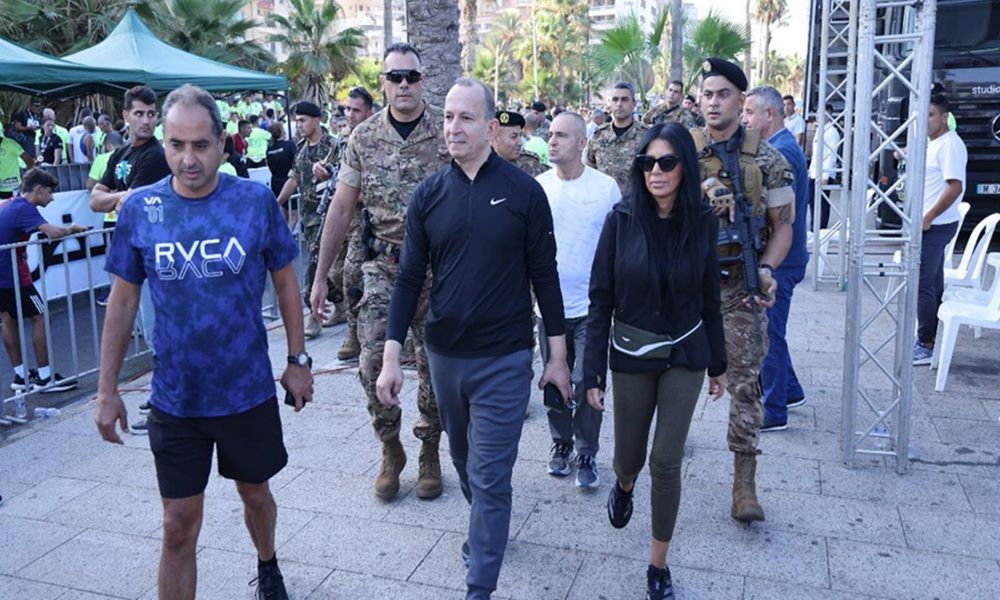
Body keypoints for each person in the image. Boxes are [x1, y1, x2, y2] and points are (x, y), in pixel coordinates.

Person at [94, 84, 312, 600]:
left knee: (254, 494)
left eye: (200, 145)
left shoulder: (253, 202)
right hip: (176, 399)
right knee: (177, 525)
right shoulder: (141, 208)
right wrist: (106, 390)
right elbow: (122, 302)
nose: (188, 159)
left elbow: (285, 282)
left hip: (245, 391)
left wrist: (298, 359)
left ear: (221, 143)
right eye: (176, 145)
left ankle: (267, 562)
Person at [376, 77, 572, 600]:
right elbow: (409, 279)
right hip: (444, 356)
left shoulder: (525, 192)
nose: (453, 127)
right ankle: (487, 524)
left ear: (489, 126)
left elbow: (546, 277)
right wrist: (391, 358)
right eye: (448, 117)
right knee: (465, 463)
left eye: (465, 117)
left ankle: (478, 586)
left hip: (505, 357)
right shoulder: (428, 194)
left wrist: (556, 358)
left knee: (489, 474)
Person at [585, 123, 727, 600]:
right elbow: (601, 297)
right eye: (647, 163)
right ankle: (624, 485)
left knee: (665, 461)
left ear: (685, 166)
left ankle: (658, 566)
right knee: (630, 457)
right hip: (632, 350)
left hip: (685, 351)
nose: (656, 172)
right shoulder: (621, 220)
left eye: (667, 162)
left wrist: (718, 363)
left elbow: (709, 296)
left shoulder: (702, 221)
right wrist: (592, 372)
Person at [310, 43, 450, 502]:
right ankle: (391, 448)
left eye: (412, 76)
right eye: (395, 77)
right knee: (372, 363)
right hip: (384, 267)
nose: (404, 84)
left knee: (435, 367)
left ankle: (429, 450)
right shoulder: (363, 137)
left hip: (439, 271)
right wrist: (320, 277)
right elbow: (341, 207)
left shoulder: (446, 132)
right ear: (383, 83)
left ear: (423, 81)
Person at [693, 58, 794, 522]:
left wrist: (767, 269)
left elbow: (783, 225)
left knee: (746, 386)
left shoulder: (769, 159)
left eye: (724, 94)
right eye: (707, 94)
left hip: (739, 286)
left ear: (741, 100)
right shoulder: (679, 150)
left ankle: (744, 484)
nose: (714, 103)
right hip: (685, 286)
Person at [536, 112, 619, 486]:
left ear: (583, 143)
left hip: (591, 308)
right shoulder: (538, 187)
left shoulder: (605, 188)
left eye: (562, 135)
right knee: (555, 379)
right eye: (551, 134)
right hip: (548, 309)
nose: (552, 141)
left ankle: (587, 451)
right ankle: (562, 443)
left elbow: (618, 243)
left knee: (587, 380)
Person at [89, 85, 172, 428]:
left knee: (156, 331)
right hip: (133, 253)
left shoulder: (155, 154)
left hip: (155, 254)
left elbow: (130, 201)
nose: (146, 120)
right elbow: (95, 199)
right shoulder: (119, 155)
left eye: (151, 114)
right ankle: (162, 396)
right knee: (149, 329)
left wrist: (118, 196)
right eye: (139, 114)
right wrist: (120, 196)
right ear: (125, 116)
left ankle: (164, 406)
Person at [742, 86, 810, 432]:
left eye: (749, 112)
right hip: (784, 257)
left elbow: (779, 216)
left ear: (769, 114)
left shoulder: (780, 151)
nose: (744, 119)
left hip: (782, 259)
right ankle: (790, 390)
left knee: (768, 333)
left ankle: (774, 409)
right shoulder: (781, 146)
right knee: (773, 328)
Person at [0, 168, 84, 404]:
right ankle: (45, 379)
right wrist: (72, 228)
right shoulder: (24, 208)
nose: (53, 197)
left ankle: (21, 376)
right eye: (50, 191)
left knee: (8, 320)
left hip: (3, 273)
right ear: (38, 190)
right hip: (12, 275)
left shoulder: (9, 204)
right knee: (41, 317)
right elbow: (53, 232)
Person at [311, 86, 376, 357]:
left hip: (364, 220)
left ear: (369, 112)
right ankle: (350, 316)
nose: (349, 115)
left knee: (351, 274)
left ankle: (355, 333)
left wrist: (355, 192)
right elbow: (333, 167)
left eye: (355, 110)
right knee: (335, 272)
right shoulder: (344, 138)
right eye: (347, 109)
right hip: (342, 218)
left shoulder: (376, 139)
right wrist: (321, 169)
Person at [913, 94, 967, 366]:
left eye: (931, 114)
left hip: (935, 225)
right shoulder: (936, 144)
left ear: (944, 118)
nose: (926, 120)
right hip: (933, 224)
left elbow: (955, 187)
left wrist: (928, 217)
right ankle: (932, 337)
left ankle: (925, 344)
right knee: (932, 282)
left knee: (922, 282)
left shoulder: (949, 145)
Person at [275, 101, 337, 338]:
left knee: (318, 266)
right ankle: (334, 307)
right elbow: (294, 178)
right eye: (297, 121)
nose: (298, 125)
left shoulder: (332, 145)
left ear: (317, 120)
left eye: (303, 120)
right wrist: (277, 203)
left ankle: (316, 315)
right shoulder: (300, 147)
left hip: (331, 216)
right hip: (310, 219)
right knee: (323, 265)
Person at [586, 81, 649, 196]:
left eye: (624, 99)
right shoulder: (598, 135)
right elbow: (588, 170)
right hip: (603, 202)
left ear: (634, 104)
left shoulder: (646, 136)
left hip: (634, 203)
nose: (619, 104)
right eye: (615, 99)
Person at [808, 107, 840, 229]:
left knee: (822, 202)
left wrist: (825, 176)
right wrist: (811, 171)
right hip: (815, 172)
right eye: (817, 113)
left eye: (820, 113)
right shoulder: (819, 130)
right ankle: (814, 226)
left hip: (824, 173)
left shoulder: (832, 132)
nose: (817, 116)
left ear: (828, 114)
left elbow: (831, 156)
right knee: (812, 200)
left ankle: (821, 227)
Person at [492, 110, 548, 177]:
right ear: (495, 137)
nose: (520, 143)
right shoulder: (481, 165)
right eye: (513, 137)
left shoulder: (531, 164)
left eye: (520, 136)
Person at [0, 126, 34, 199]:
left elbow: (29, 161)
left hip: (14, 187)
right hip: (1, 188)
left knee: (15, 205)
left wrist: (26, 177)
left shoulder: (10, 143)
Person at [265, 122, 296, 199]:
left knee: (279, 205)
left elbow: (269, 166)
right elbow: (296, 162)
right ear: (282, 132)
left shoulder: (269, 149)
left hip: (275, 183)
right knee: (292, 205)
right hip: (289, 183)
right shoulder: (289, 145)